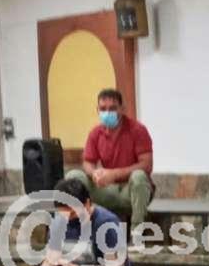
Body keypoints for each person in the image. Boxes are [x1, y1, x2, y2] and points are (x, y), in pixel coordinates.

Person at [64, 88, 155, 228]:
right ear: (97, 110)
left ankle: (137, 232)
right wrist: (95, 173)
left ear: (122, 109)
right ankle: (80, 228)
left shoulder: (138, 130)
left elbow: (146, 165)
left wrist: (114, 174)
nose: (107, 113)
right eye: (103, 109)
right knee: (73, 176)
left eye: (112, 108)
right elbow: (88, 162)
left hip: (130, 191)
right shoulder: (95, 133)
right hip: (106, 190)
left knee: (139, 176)